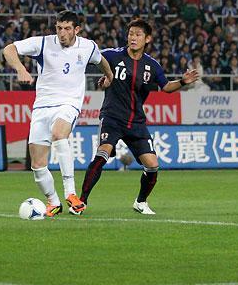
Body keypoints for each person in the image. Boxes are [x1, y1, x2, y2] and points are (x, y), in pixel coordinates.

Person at [79, 19, 199, 215]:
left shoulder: (152, 65)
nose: (133, 38)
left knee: (152, 165)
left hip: (136, 121)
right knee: (102, 154)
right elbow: (94, 58)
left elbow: (166, 87)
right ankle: (81, 202)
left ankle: (141, 202)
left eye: (138, 34)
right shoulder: (112, 55)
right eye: (131, 34)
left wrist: (183, 81)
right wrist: (106, 76)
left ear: (147, 39)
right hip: (112, 117)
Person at [3, 10, 114, 217]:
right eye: (59, 28)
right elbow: (9, 49)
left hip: (68, 103)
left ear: (76, 29)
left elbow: (101, 60)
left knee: (59, 134)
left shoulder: (88, 46)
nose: (62, 33)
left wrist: (109, 76)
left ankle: (71, 193)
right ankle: (53, 202)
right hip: (42, 107)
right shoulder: (43, 43)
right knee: (37, 165)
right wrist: (20, 68)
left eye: (67, 29)